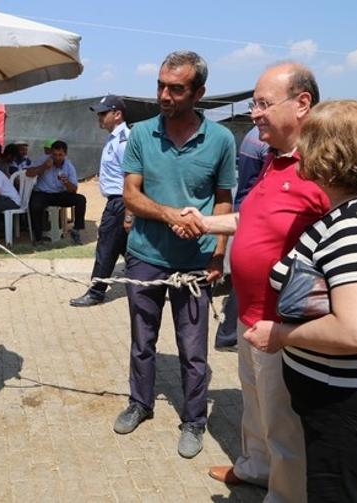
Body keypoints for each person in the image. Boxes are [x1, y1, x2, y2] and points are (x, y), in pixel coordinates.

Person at [245, 100, 357, 502]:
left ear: (329, 152)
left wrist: (281, 334)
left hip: (348, 406)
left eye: (309, 139)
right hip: (351, 398)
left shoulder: (353, 228)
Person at [177, 62, 329, 500]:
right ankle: (256, 467)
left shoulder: (322, 169)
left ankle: (284, 494)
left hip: (286, 324)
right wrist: (205, 223)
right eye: (254, 104)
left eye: (263, 103)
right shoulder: (273, 161)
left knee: (284, 420)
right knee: (255, 402)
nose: (255, 113)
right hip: (250, 313)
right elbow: (253, 221)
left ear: (302, 104)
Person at [113, 51, 235, 460]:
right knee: (142, 339)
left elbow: (223, 200)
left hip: (196, 261)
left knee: (193, 348)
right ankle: (140, 403)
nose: (164, 95)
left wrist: (218, 254)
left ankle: (195, 420)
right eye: (161, 85)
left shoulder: (221, 139)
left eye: (176, 88)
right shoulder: (142, 133)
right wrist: (168, 215)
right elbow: (131, 193)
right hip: (145, 255)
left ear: (198, 92)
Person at [70, 95, 131, 307]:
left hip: (120, 202)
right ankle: (145, 284)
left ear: (117, 114)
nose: (99, 117)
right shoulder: (113, 138)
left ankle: (96, 291)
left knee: (106, 246)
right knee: (126, 248)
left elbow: (132, 178)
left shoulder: (124, 141)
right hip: (118, 202)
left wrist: (129, 211)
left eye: (103, 113)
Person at [214, 126, 269, 351]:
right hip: (253, 217)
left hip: (246, 212)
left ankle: (228, 334)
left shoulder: (253, 136)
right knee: (247, 280)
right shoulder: (265, 144)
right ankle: (228, 335)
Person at [26, 140, 87, 245]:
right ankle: (38, 238)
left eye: (60, 155)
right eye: (54, 155)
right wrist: (44, 166)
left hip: (59, 194)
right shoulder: (43, 159)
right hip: (43, 193)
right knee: (35, 204)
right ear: (51, 153)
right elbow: (28, 173)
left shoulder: (69, 166)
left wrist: (66, 181)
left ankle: (76, 230)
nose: (57, 157)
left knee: (81, 200)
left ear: (65, 154)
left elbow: (73, 190)